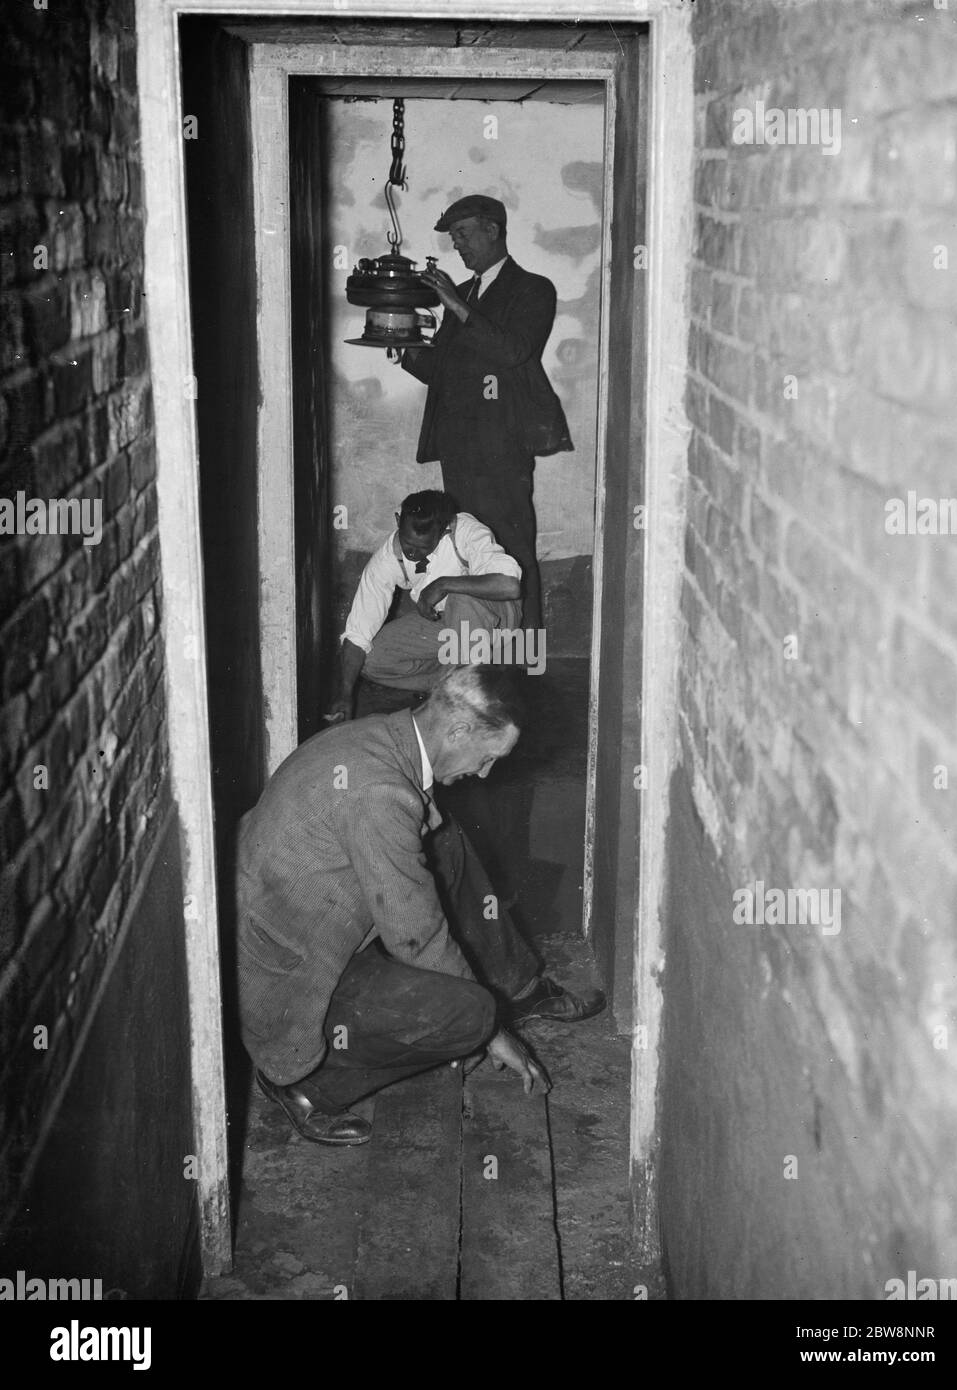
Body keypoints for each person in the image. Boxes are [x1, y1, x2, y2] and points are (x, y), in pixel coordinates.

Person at [236, 665, 605, 1147]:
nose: (484, 773)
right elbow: (416, 937)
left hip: (306, 917)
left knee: (444, 838)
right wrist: (491, 1032)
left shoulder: (381, 735)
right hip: (293, 975)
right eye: (488, 756)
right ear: (458, 730)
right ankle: (304, 1086)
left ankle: (519, 986)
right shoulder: (380, 792)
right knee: (469, 1013)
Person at [400, 194, 573, 630]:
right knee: (468, 547)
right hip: (459, 445)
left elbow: (513, 351)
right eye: (453, 237)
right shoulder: (464, 294)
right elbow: (442, 370)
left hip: (502, 445)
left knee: (513, 547)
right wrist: (400, 345)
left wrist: (455, 304)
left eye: (462, 234)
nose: (456, 245)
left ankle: (526, 657)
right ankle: (483, 651)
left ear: (492, 230)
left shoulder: (533, 288)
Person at [327, 489, 524, 721]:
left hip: (495, 620)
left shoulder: (467, 531)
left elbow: (510, 586)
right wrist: (345, 693)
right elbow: (358, 633)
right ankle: (454, 681)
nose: (412, 553)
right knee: (372, 659)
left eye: (423, 548)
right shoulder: (386, 559)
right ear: (399, 521)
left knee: (461, 598)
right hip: (446, 625)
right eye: (407, 542)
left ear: (444, 530)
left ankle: (468, 702)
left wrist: (443, 585)